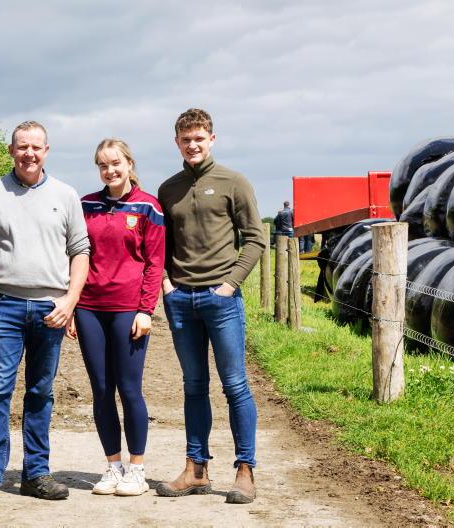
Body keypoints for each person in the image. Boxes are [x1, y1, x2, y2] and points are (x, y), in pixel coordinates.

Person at [0, 121, 90, 507]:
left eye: (36, 147)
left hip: (51, 310)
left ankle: (36, 473)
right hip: (4, 305)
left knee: (40, 391)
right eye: (22, 147)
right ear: (11, 150)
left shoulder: (66, 195)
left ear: (47, 151)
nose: (29, 153)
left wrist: (69, 302)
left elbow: (80, 252)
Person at [156, 108, 266, 504]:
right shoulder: (168, 189)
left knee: (235, 384)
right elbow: (161, 245)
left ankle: (245, 470)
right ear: (177, 143)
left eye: (199, 138)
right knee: (194, 386)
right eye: (186, 139)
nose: (193, 145)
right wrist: (167, 284)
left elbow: (255, 239)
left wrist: (229, 284)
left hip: (221, 300)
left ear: (212, 139)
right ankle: (196, 468)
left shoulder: (233, 182)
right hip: (181, 300)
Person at [68, 139, 165, 496]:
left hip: (128, 309)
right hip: (90, 308)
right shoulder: (85, 205)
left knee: (129, 389)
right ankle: (113, 466)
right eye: (103, 165)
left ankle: (136, 469)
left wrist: (146, 309)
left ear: (128, 163)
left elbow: (155, 262)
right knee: (101, 390)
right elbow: (75, 255)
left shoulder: (148, 207)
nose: (110, 171)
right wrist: (72, 306)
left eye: (115, 163)